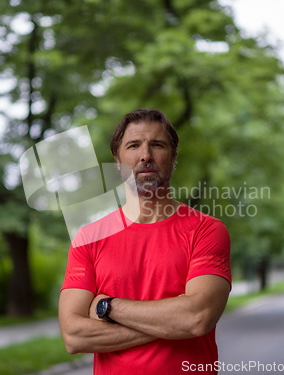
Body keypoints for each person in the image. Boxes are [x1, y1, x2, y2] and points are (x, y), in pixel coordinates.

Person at [58, 108, 231, 375]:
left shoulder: (206, 230)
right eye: (134, 145)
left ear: (172, 157)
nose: (145, 156)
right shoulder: (88, 239)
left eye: (157, 145)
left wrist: (107, 307)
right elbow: (74, 336)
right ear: (117, 160)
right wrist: (170, 324)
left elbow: (196, 319)